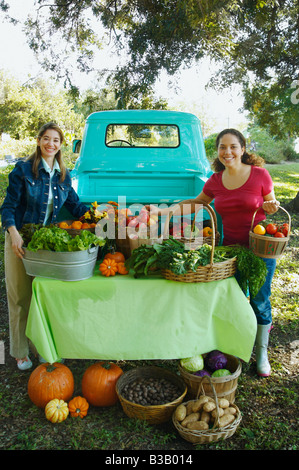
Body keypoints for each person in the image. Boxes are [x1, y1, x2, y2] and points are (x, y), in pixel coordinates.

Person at [149, 129, 279, 377]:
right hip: (229, 250)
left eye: (232, 146)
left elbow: (270, 206)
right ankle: (237, 345)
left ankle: (261, 353)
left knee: (260, 299)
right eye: (222, 147)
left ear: (242, 149)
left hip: (260, 248)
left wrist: (271, 207)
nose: (227, 152)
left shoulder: (260, 175)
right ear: (218, 151)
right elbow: (197, 203)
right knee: (237, 298)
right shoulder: (216, 181)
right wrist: (163, 212)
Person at [0, 122, 89, 370]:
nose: (51, 144)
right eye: (46, 139)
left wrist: (100, 216)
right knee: (19, 296)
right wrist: (14, 234)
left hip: (44, 242)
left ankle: (41, 346)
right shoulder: (24, 170)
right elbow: (8, 207)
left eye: (56, 140)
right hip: (19, 237)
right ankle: (19, 351)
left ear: (60, 145)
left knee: (43, 295)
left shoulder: (63, 174)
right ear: (39, 141)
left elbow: (77, 206)